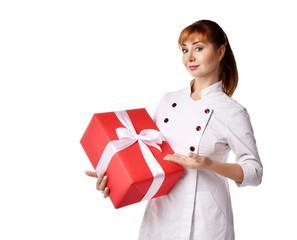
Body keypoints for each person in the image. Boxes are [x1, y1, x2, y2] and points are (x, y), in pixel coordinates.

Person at [85, 19, 263, 240]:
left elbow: (254, 172)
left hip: (205, 220)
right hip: (161, 213)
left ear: (220, 52)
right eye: (184, 50)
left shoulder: (232, 112)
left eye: (198, 48)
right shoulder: (168, 100)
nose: (189, 57)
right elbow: (148, 155)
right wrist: (114, 175)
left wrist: (209, 164)